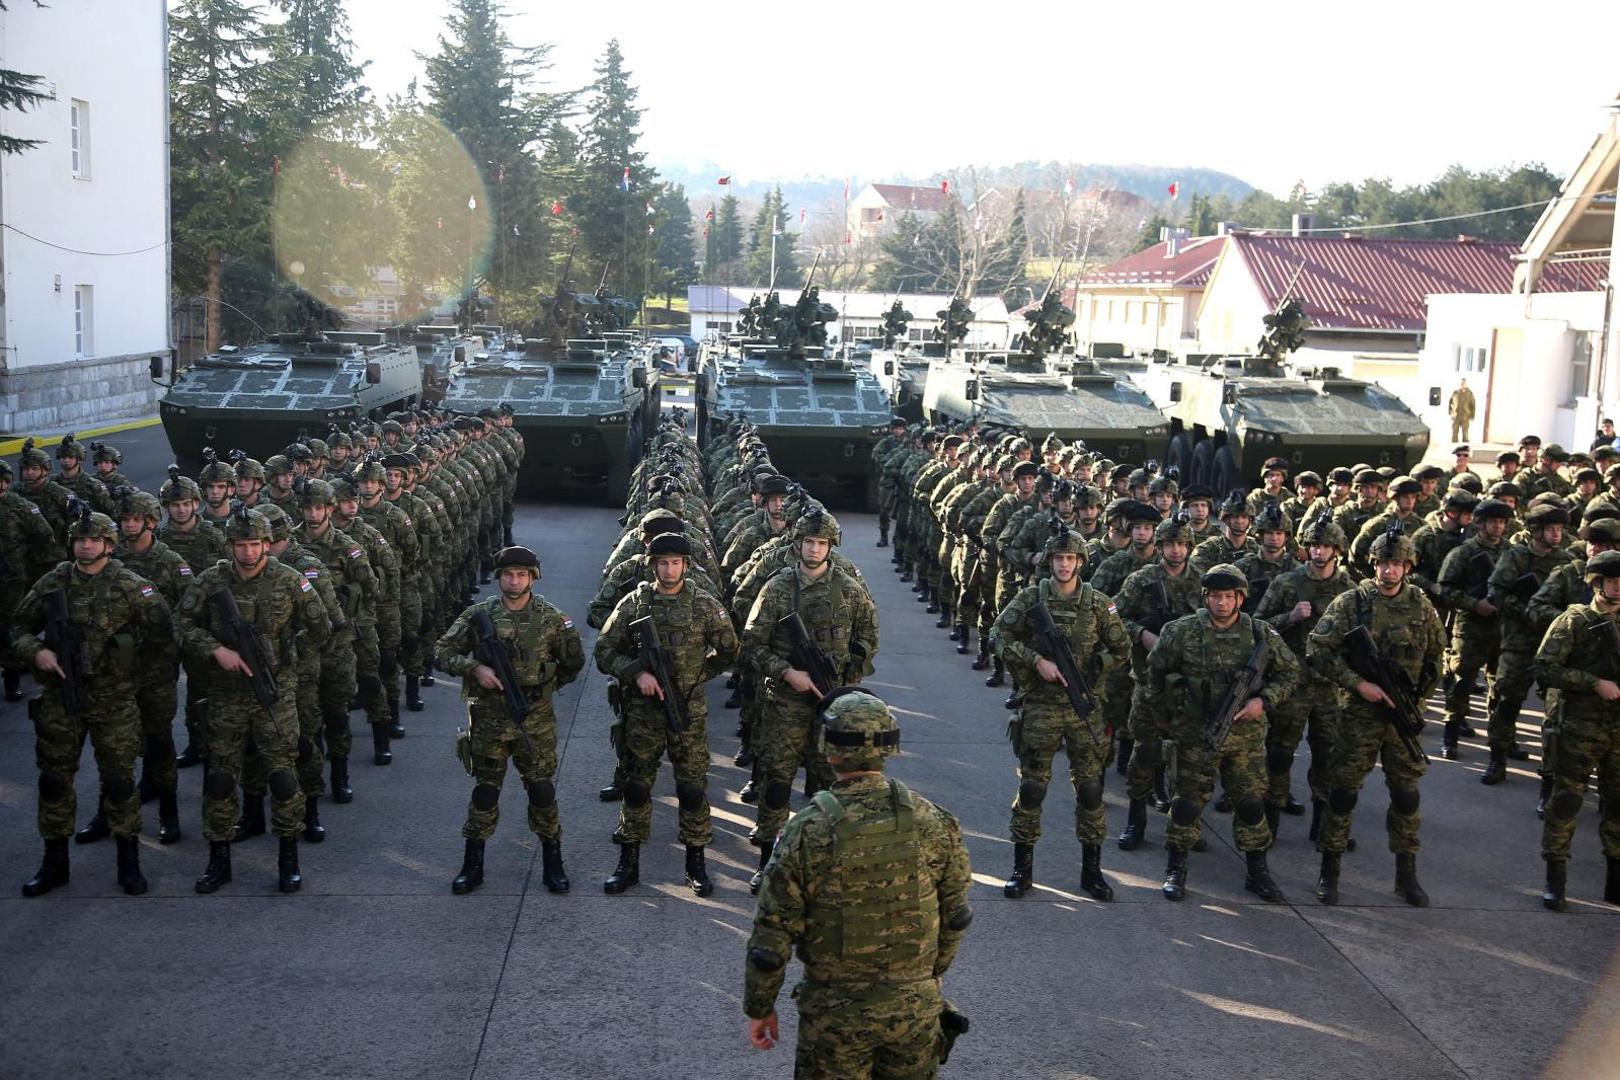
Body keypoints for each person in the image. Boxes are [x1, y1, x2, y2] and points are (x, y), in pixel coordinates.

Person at [743, 689, 971, 1078]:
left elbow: (772, 936)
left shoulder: (807, 830)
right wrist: (928, 976)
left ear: (827, 749)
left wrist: (760, 1007)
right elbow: (956, 914)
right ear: (889, 746)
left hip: (835, 1015)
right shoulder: (932, 820)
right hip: (915, 1010)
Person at [15, 506, 173, 897]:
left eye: (94, 540)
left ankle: (128, 862)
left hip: (114, 699)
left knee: (119, 782)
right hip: (61, 695)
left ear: (109, 545)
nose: (85, 546)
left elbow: (163, 634)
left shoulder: (130, 585)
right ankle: (55, 863)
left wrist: (128, 667)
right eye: (80, 540)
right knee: (54, 781)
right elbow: (18, 627)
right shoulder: (55, 581)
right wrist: (37, 652)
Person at [177, 503, 331, 895]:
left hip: (274, 695)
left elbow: (322, 627)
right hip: (226, 695)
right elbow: (179, 623)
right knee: (220, 778)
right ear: (230, 545)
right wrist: (215, 650)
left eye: (255, 544)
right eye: (240, 544)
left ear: (267, 544)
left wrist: (287, 658)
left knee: (282, 777)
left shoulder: (290, 580)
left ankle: (288, 857)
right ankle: (219, 859)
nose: (248, 552)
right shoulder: (212, 580)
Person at [1307, 527, 1446, 906]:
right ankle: (1329, 870)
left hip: (1402, 714)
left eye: (1397, 564)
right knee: (1342, 794)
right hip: (1359, 715)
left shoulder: (1421, 607)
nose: (1389, 570)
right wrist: (1358, 684)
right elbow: (1317, 649)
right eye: (1383, 563)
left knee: (1406, 796)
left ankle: (1406, 874)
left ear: (1408, 567)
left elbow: (1437, 657)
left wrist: (1417, 698)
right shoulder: (1352, 602)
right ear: (1373, 564)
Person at [741, 510, 879, 893]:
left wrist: (849, 679)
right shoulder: (778, 586)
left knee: (828, 787)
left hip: (832, 703)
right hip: (786, 701)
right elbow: (752, 641)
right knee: (776, 782)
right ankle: (768, 861)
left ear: (830, 547)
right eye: (809, 542)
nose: (815, 549)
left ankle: (822, 866)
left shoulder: (849, 589)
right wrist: (787, 672)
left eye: (821, 543)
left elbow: (869, 636)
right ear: (798, 544)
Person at [990, 527, 1131, 900]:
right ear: (1050, 562)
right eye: (1058, 558)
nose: (1064, 565)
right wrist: (1035, 660)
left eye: (1070, 558)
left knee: (1090, 790)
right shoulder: (1030, 599)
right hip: (1042, 706)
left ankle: (1092, 871)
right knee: (1032, 788)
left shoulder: (1099, 604)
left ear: (1080, 562)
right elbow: (998, 637)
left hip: (1084, 708)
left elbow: (1122, 649)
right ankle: (1022, 869)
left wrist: (1096, 668)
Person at [1145, 564, 1299, 903]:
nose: (1222, 603)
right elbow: (1154, 675)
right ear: (1206, 597)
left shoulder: (1260, 633)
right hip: (1195, 735)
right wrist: (1165, 721)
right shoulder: (1182, 631)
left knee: (1251, 805)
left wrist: (1263, 701)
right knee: (1185, 805)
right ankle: (1176, 868)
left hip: (1245, 738)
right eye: (1215, 596)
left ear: (1240, 599)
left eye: (1229, 596)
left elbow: (1290, 673)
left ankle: (1257, 871)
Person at [595, 533, 738, 896]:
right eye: (663, 563)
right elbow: (604, 650)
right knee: (636, 786)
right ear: (653, 565)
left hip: (687, 711)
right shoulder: (634, 603)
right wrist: (636, 673)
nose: (669, 569)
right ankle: (628, 863)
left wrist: (698, 676)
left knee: (691, 789)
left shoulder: (704, 605)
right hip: (643, 714)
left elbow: (729, 650)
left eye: (675, 563)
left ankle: (696, 864)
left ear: (685, 565)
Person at [436, 545, 584, 896]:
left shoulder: (552, 618)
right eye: (508, 574)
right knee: (486, 791)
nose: (514, 581)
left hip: (535, 720)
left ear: (533, 578)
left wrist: (543, 689)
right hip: (489, 719)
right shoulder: (479, 615)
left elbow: (573, 662)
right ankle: (472, 864)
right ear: (499, 577)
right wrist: (475, 668)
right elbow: (442, 651)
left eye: (521, 574)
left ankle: (553, 861)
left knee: (541, 790)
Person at [1534, 549, 1620, 911]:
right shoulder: (1574, 621)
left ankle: (1615, 879)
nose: (1618, 588)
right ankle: (1555, 879)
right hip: (1578, 727)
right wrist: (1592, 682)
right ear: (1596, 582)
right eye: (1612, 581)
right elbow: (1544, 668)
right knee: (1567, 802)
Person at [1448, 378, 1476, 443]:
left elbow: (1473, 405)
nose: (1462, 384)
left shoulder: (1469, 393)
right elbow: (1450, 403)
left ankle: (1465, 447)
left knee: (1465, 435)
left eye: (1464, 383)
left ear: (1466, 384)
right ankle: (1454, 446)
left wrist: (1472, 416)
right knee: (1454, 434)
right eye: (1461, 383)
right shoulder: (1455, 393)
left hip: (1465, 416)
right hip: (1456, 416)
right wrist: (1451, 413)